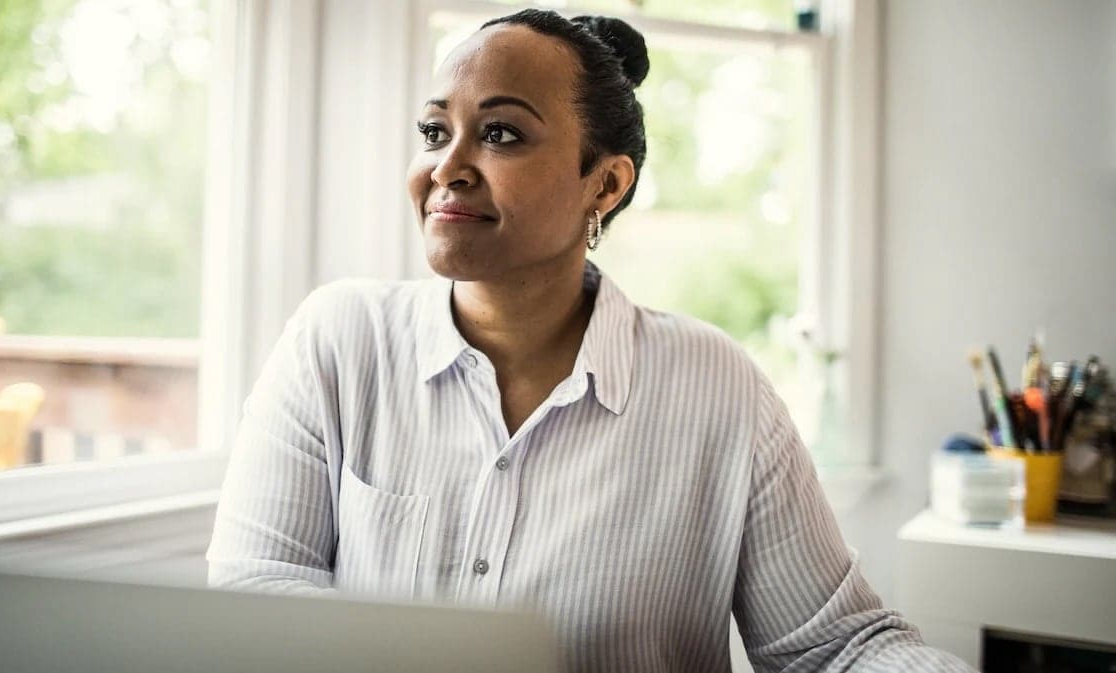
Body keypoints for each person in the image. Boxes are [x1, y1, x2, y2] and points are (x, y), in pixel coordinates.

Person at [207, 9, 976, 672]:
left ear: (604, 185)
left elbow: (838, 648)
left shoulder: (717, 387)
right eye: (435, 130)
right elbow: (256, 592)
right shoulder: (338, 341)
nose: (448, 166)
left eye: (500, 133)